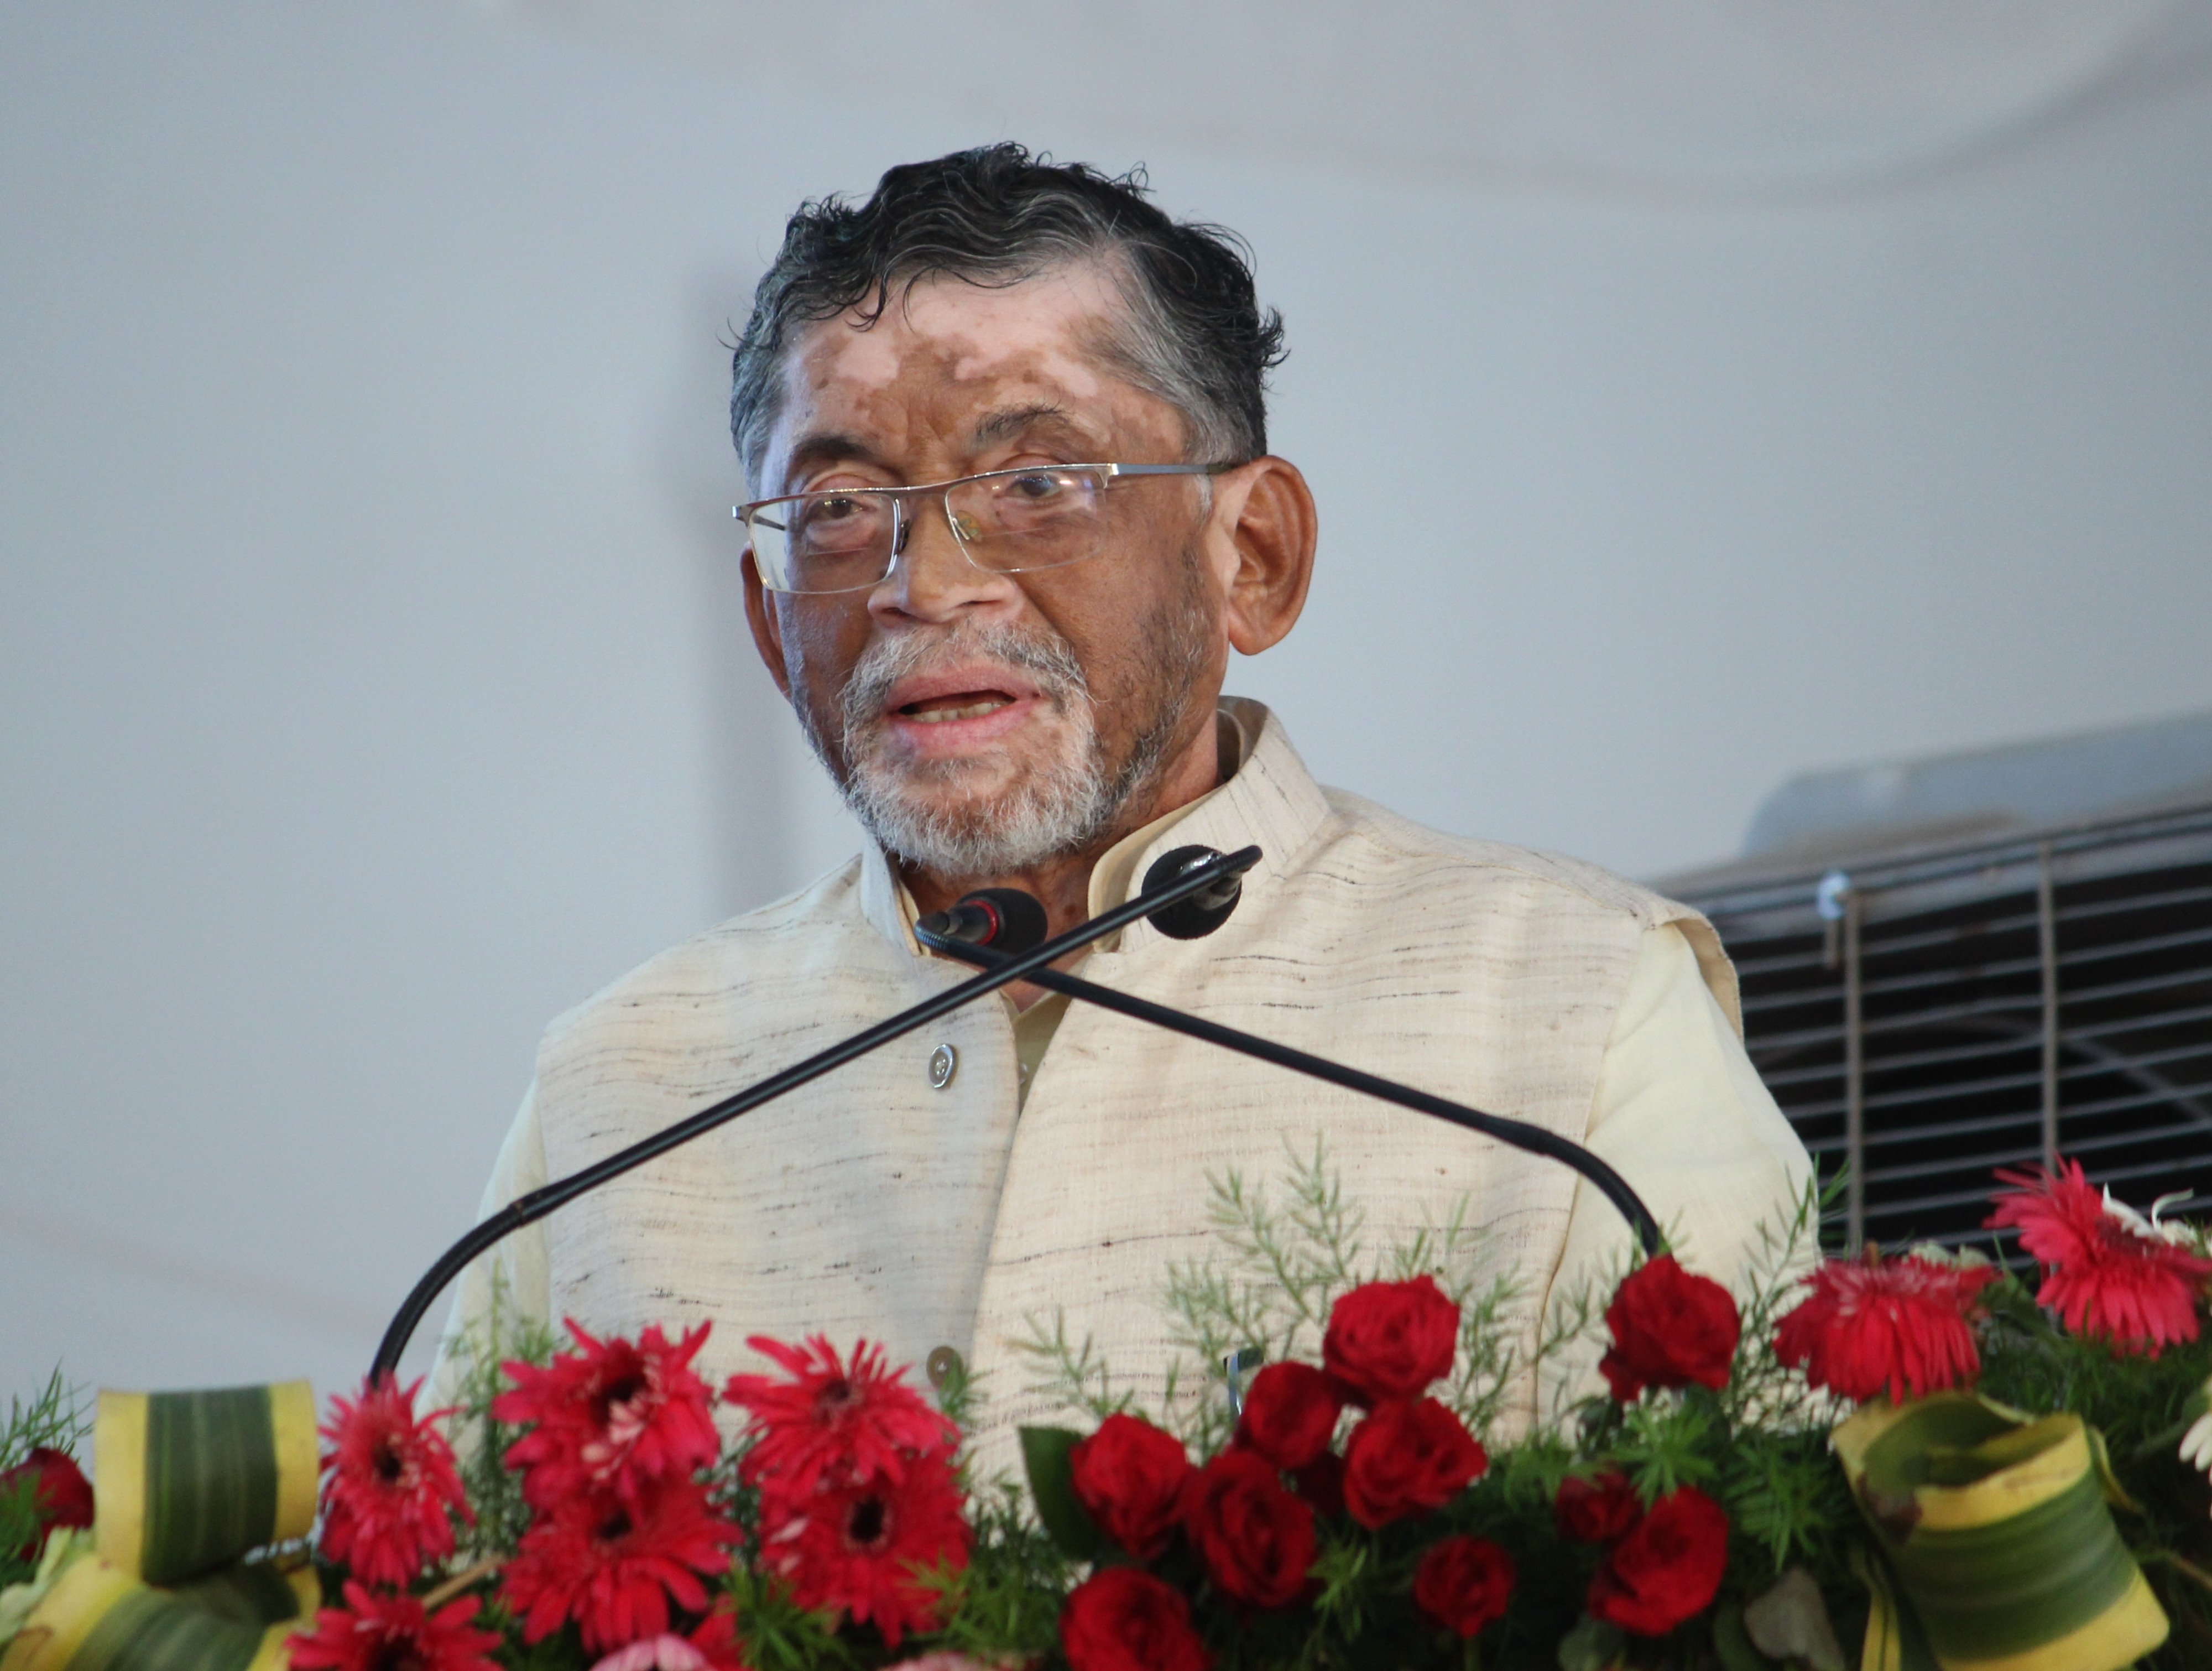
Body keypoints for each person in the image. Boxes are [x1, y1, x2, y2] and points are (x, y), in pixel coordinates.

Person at [431, 145, 1810, 1462]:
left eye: (1033, 482)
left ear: (1250, 558)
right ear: (766, 618)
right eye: (841, 508)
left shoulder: (1574, 1010)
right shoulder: (620, 1087)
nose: (926, 583)